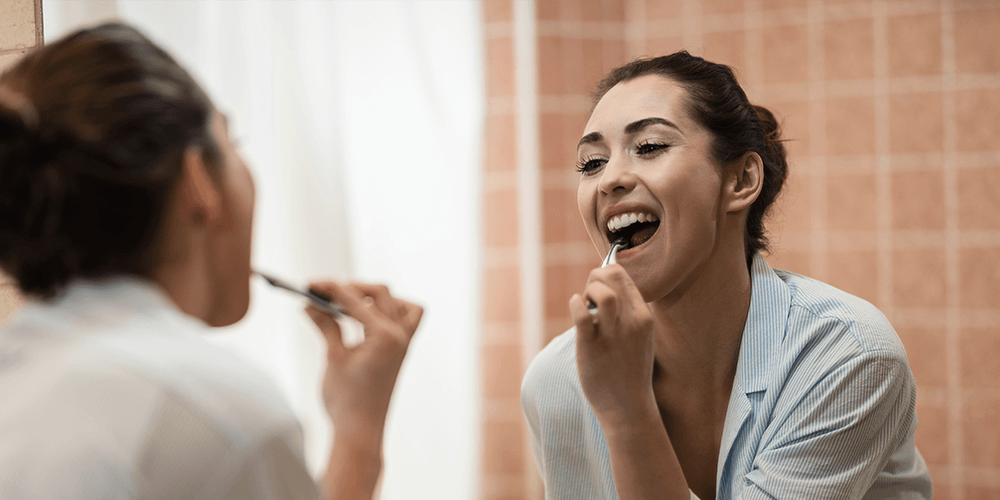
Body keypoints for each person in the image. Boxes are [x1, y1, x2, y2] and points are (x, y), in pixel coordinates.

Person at [0, 23, 421, 500]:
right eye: (232, 140)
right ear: (198, 180)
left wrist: (354, 429)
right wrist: (361, 438)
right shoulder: (217, 415)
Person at [520, 52, 932, 500]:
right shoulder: (557, 382)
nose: (610, 179)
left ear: (741, 180)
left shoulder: (848, 356)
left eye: (650, 147)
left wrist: (626, 411)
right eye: (591, 163)